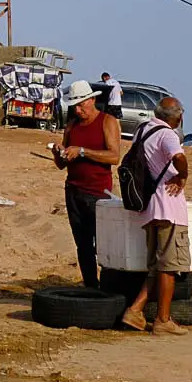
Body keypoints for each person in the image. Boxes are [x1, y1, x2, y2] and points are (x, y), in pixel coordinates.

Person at [123, 97, 192, 336]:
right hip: (168, 207)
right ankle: (163, 320)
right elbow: (179, 158)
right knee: (169, 266)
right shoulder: (168, 134)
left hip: (149, 207)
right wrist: (182, 176)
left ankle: (135, 310)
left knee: (156, 265)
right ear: (177, 116)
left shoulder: (142, 130)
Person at [52, 79, 123, 289]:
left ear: (92, 100)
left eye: (82, 104)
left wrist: (83, 151)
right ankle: (91, 284)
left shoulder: (107, 121)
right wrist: (59, 153)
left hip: (98, 192)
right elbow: (61, 165)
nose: (78, 109)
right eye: (75, 105)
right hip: (74, 190)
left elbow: (114, 157)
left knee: (102, 242)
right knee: (82, 243)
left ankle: (111, 284)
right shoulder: (72, 125)